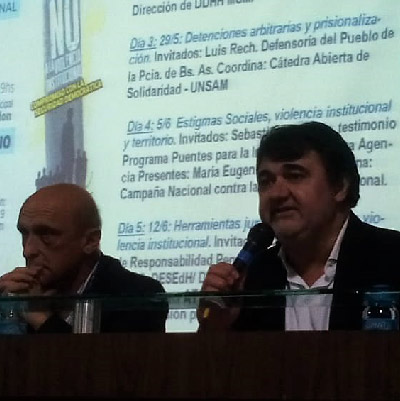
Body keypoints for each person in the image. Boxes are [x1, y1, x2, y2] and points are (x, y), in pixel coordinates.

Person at [198, 121, 400, 331]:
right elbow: (218, 352)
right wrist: (216, 327)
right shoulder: (252, 279)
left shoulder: (393, 257)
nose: (277, 193)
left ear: (340, 186)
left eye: (295, 176)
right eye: (266, 181)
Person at [0, 184, 168, 333]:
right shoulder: (17, 292)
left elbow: (106, 359)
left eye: (47, 235)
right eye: (24, 234)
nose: (28, 250)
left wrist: (41, 318)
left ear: (90, 241)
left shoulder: (138, 294)